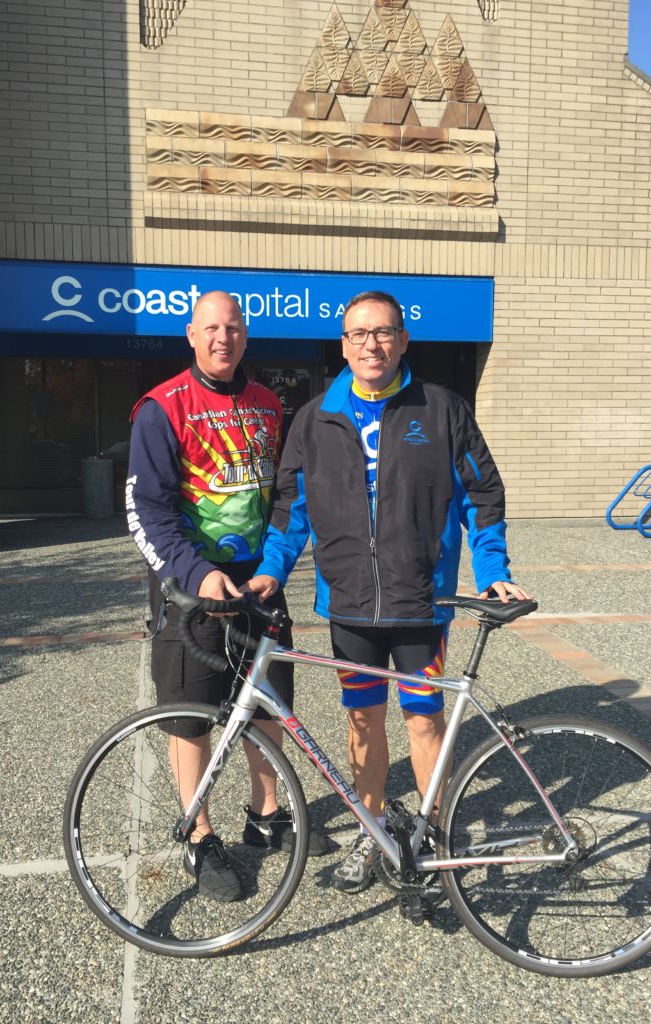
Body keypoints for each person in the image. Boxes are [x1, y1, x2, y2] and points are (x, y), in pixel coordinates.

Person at [247, 290, 529, 894]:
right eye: (357, 334)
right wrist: (272, 568)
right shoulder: (314, 417)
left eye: (382, 333)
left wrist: (491, 567)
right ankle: (371, 834)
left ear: (403, 340)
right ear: (343, 345)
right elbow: (289, 509)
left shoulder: (443, 408)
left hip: (421, 603)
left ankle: (433, 839)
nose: (370, 344)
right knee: (362, 721)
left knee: (424, 724)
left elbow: (483, 494)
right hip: (348, 606)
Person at [126, 290, 333, 903]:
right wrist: (194, 574)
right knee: (192, 716)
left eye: (233, 327)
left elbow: (284, 497)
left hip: (258, 585)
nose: (223, 337)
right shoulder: (161, 408)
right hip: (192, 590)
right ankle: (199, 835)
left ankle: (266, 816)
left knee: (265, 705)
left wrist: (273, 565)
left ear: (246, 335)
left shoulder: (269, 405)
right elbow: (146, 511)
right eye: (211, 327)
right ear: (191, 334)